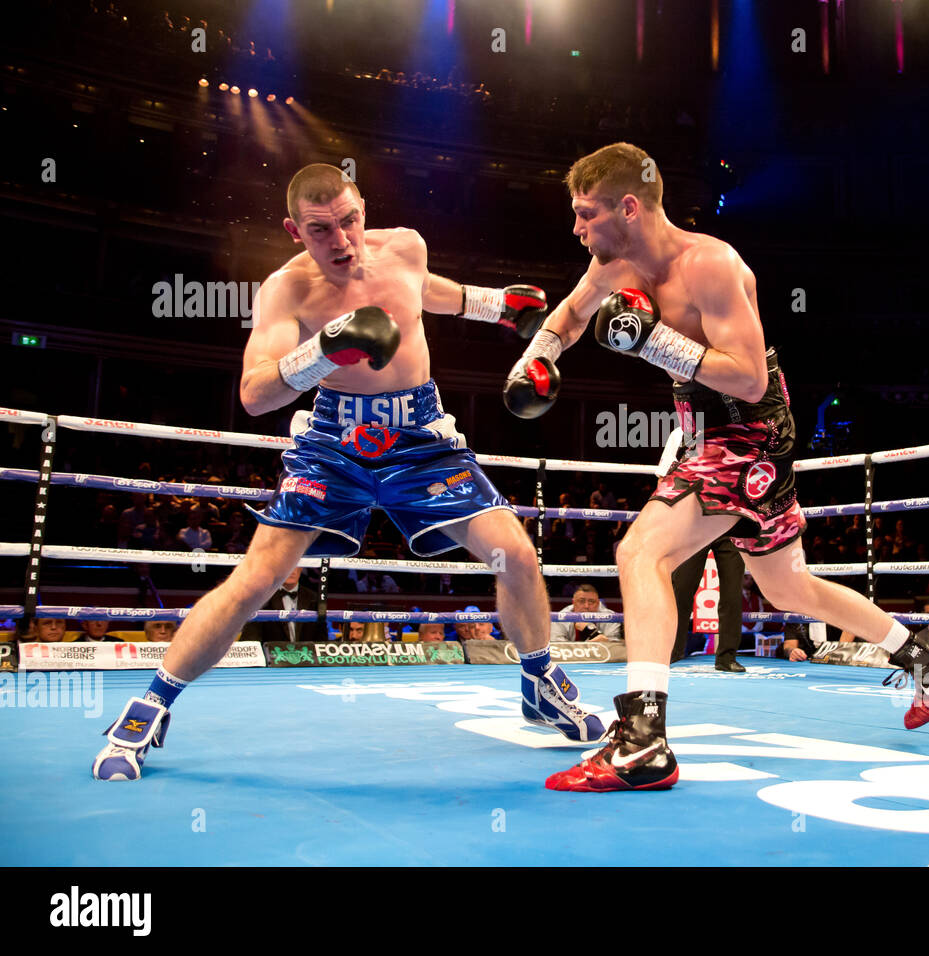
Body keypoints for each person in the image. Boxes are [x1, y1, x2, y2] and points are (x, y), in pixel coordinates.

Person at [93, 163, 603, 783]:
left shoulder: (406, 245)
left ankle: (539, 678)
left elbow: (420, 287)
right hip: (334, 440)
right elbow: (256, 394)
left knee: (515, 556)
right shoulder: (287, 290)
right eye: (320, 230)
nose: (340, 240)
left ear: (363, 207)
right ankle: (150, 704)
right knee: (257, 578)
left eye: (349, 221)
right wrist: (326, 348)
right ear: (293, 230)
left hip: (419, 436)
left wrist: (494, 305)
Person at [504, 142, 929, 791]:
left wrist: (654, 341)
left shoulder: (713, 266)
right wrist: (539, 358)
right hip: (705, 430)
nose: (577, 228)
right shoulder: (611, 263)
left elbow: (750, 379)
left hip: (747, 428)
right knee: (787, 588)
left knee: (643, 554)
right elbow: (571, 315)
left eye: (586, 213)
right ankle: (926, 662)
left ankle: (642, 741)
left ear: (629, 207)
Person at [670, 535, 745, 670]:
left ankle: (727, 658)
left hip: (730, 527)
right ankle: (672, 652)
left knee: (732, 592)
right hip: (696, 526)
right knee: (681, 588)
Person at [238, 567, 325, 644]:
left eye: (296, 565)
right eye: (288, 564)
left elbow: (322, 637)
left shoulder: (315, 598)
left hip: (307, 659)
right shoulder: (261, 597)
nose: (292, 570)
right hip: (271, 658)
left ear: (301, 568)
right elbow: (251, 637)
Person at [550, 583, 624, 642]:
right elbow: (557, 646)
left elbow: (614, 646)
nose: (586, 606)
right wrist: (590, 643)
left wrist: (589, 629)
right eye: (581, 601)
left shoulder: (611, 617)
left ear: (598, 603)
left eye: (591, 602)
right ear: (573, 603)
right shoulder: (560, 618)